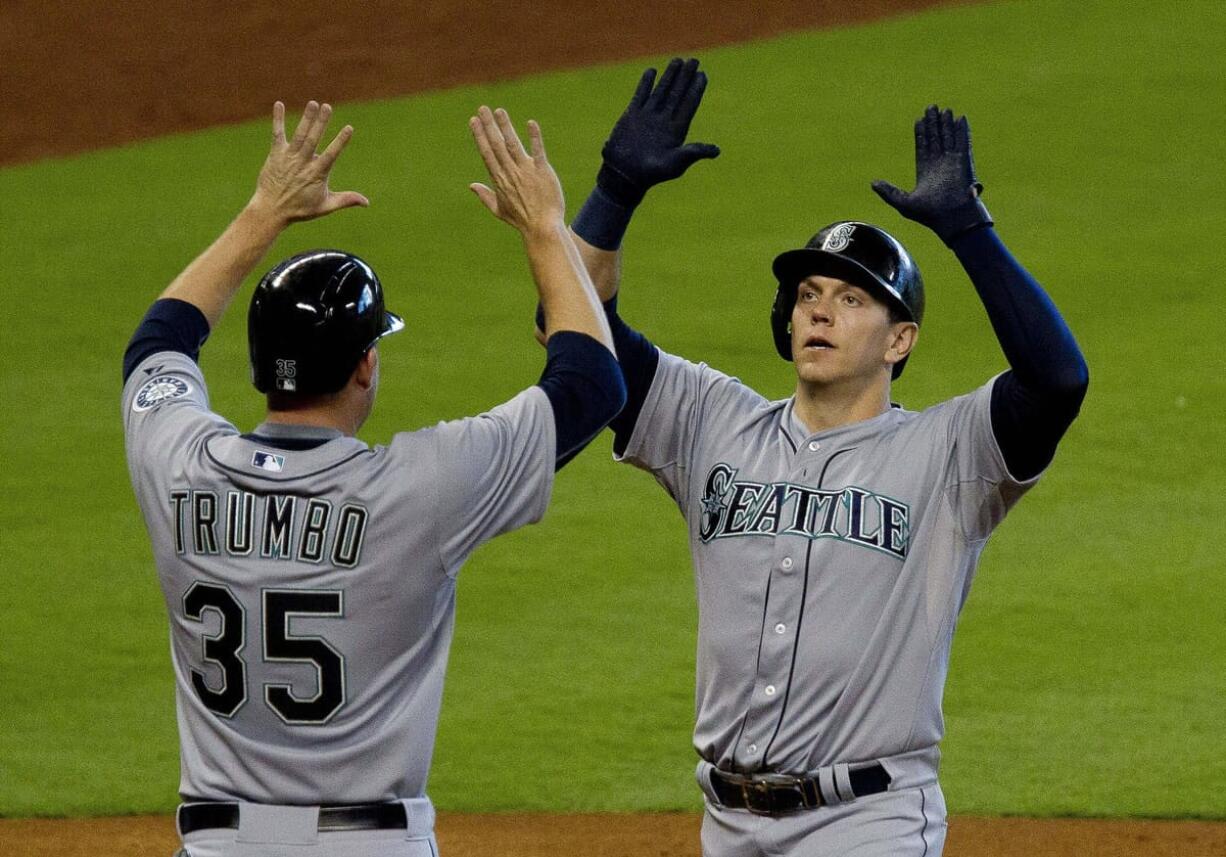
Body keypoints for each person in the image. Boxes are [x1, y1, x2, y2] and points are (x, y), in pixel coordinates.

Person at [548, 60, 1088, 856]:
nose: (821, 310)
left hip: (868, 823)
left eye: (852, 297)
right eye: (808, 294)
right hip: (727, 823)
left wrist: (969, 232)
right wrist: (616, 189)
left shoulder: (951, 452)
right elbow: (574, 333)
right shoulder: (707, 420)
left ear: (900, 339)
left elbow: (1057, 378)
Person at [122, 100, 624, 857]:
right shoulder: (420, 489)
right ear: (365, 363)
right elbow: (592, 383)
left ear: (260, 364)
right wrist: (544, 227)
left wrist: (265, 213)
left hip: (220, 845)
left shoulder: (178, 464)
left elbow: (159, 342)